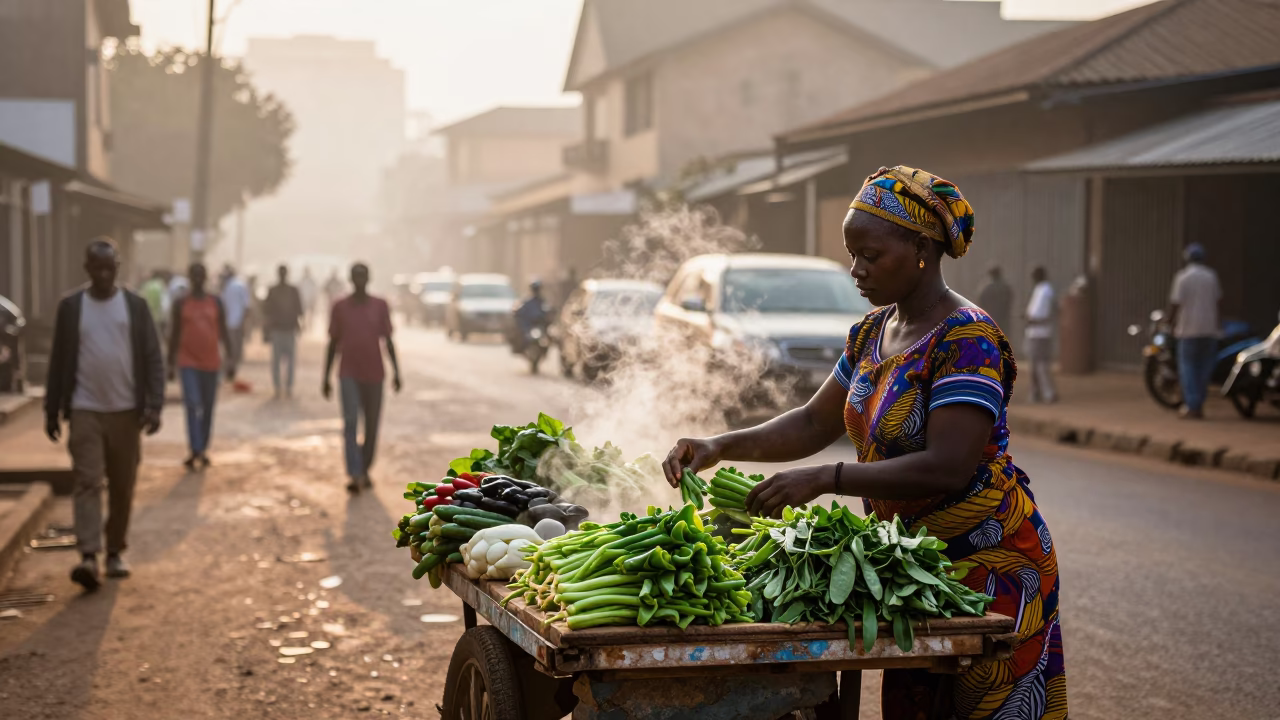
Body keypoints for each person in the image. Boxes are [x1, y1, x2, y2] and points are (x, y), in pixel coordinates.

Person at [663, 167, 1066, 719]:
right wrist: (718, 445)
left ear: (922, 248)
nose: (857, 270)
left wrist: (826, 479)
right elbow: (811, 423)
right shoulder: (871, 332)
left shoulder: (968, 340)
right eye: (852, 254)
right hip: (914, 571)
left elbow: (948, 466)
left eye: (871, 255)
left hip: (987, 566)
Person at [44, 238, 165, 591]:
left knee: (123, 485)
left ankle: (114, 551)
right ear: (87, 269)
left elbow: (152, 358)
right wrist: (52, 410)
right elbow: (58, 363)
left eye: (108, 268)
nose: (102, 275)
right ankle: (88, 555)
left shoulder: (135, 306)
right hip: (85, 409)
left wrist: (154, 405)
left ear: (117, 269)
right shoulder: (71, 307)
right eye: (96, 268)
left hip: (126, 412)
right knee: (87, 481)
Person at [323, 263, 401, 493]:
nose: (359, 280)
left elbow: (388, 340)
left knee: (372, 424)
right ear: (350, 279)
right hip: (348, 372)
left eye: (363, 276)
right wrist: (325, 376)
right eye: (355, 276)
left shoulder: (380, 305)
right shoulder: (339, 306)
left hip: (375, 373)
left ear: (368, 278)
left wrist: (397, 371)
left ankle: (364, 467)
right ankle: (355, 472)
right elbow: (333, 342)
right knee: (350, 423)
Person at [169, 263, 234, 470]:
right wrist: (170, 363)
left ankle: (203, 448)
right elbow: (174, 334)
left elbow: (224, 331)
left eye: (200, 276)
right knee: (192, 403)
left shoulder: (215, 302)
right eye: (194, 275)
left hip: (211, 363)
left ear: (205, 278)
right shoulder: (181, 304)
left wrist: (231, 358)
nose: (197, 279)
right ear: (189, 278)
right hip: (188, 362)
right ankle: (194, 448)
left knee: (207, 407)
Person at [1168, 243, 1221, 419]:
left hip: (1188, 330)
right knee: (1204, 369)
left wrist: (1169, 322)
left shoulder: (1183, 277)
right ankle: (1199, 402)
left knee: (1188, 368)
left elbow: (1176, 303)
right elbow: (1218, 300)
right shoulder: (1211, 276)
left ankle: (1192, 405)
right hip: (1209, 329)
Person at [263, 264, 304, 398]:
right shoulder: (273, 290)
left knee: (290, 361)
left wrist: (300, 325)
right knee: (276, 361)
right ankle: (278, 386)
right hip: (277, 330)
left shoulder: (292, 291)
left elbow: (299, 310)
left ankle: (288, 386)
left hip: (289, 329)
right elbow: (267, 312)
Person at [1024, 266, 1057, 404]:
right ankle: (1036, 394)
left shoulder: (1045, 291)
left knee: (1041, 366)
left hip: (1040, 333)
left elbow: (1045, 314)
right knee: (1034, 367)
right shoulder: (1040, 289)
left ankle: (1049, 394)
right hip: (1035, 332)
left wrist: (1032, 319)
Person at [220, 265, 251, 370]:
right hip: (233, 321)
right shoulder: (235, 286)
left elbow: (246, 306)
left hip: (233, 321)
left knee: (232, 346)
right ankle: (231, 366)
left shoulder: (234, 286)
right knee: (233, 346)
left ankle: (231, 367)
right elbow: (246, 306)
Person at [512, 280, 550, 353]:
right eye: (535, 289)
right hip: (528, 326)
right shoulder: (527, 302)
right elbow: (519, 311)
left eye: (537, 289)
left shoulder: (542, 302)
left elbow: (547, 312)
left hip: (539, 325)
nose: (536, 291)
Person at [976, 263, 1013, 331]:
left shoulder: (986, 288)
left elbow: (980, 302)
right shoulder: (1005, 287)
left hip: (990, 317)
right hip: (1003, 317)